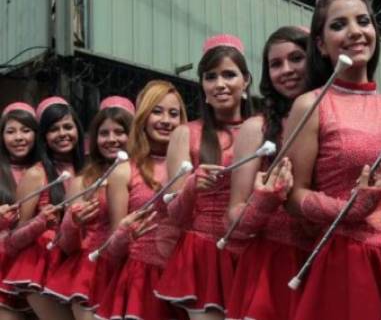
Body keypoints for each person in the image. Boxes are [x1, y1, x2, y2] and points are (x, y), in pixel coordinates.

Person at [285, 0, 381, 320]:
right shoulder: (311, 105)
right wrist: (348, 208)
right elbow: (292, 196)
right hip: (350, 263)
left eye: (363, 21)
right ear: (320, 43)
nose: (355, 32)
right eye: (339, 25)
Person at [154, 34, 253, 320]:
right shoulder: (186, 133)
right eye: (211, 77)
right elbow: (173, 213)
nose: (220, 84)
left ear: (246, 80)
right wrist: (192, 187)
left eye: (229, 75)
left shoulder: (262, 128)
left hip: (253, 250)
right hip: (203, 255)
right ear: (202, 85)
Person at [226, 26, 311, 320]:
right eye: (275, 64)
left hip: (335, 259)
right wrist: (262, 203)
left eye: (297, 58)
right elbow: (233, 217)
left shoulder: (339, 115)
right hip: (274, 265)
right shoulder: (256, 129)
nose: (286, 70)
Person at [94, 81, 187, 320]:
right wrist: (126, 233)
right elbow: (112, 251)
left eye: (173, 113)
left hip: (187, 277)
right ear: (143, 116)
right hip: (141, 283)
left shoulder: (195, 164)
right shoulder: (124, 171)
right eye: (157, 111)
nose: (166, 120)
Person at [43, 96, 135, 319]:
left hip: (137, 270)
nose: (111, 139)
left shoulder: (146, 174)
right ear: (94, 139)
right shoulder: (81, 182)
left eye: (119, 132)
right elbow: (66, 245)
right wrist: (74, 223)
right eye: (104, 133)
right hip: (92, 273)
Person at [4, 97, 85, 320]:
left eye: (68, 126)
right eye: (53, 129)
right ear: (44, 138)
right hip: (39, 268)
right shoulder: (36, 174)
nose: (62, 134)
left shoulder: (90, 170)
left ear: (78, 129)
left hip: (78, 266)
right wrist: (40, 223)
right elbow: (14, 240)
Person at [0, 102, 39, 319]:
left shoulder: (46, 170)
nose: (19, 137)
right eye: (11, 131)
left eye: (26, 130)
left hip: (35, 267)